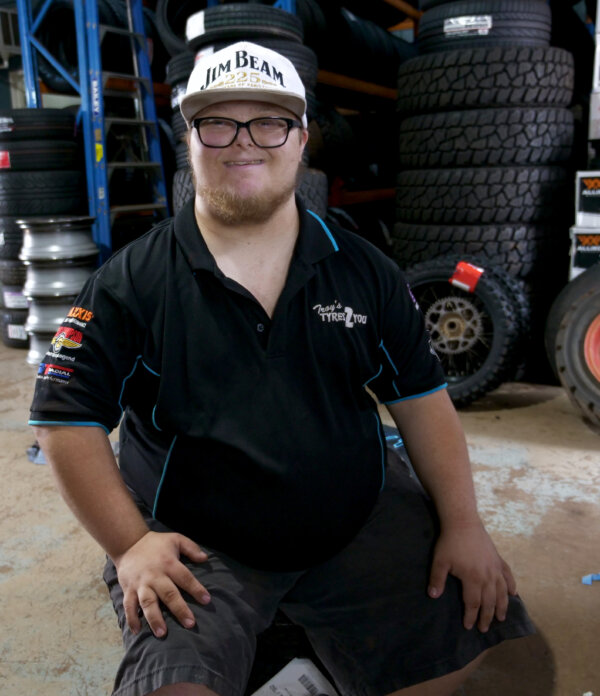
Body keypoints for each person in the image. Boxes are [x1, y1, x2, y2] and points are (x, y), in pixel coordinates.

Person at [30, 41, 534, 696]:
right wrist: (130, 546)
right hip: (198, 545)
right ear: (190, 139)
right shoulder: (131, 282)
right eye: (218, 123)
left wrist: (465, 525)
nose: (244, 143)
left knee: (465, 639)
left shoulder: (364, 272)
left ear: (302, 139)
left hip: (355, 522)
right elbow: (66, 420)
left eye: (269, 122)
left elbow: (423, 400)